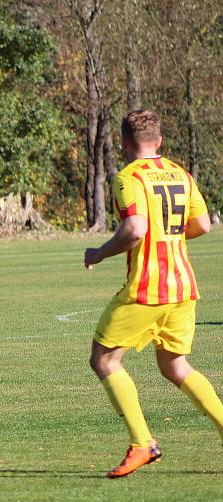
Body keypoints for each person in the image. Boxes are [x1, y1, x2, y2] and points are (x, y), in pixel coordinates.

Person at [85, 109, 223, 478]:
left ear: (125, 143)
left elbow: (134, 229)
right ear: (159, 140)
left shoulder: (128, 177)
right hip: (183, 286)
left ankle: (142, 442)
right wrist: (171, 236)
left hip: (147, 289)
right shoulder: (181, 173)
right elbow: (203, 225)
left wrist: (98, 252)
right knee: (175, 366)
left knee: (104, 361)